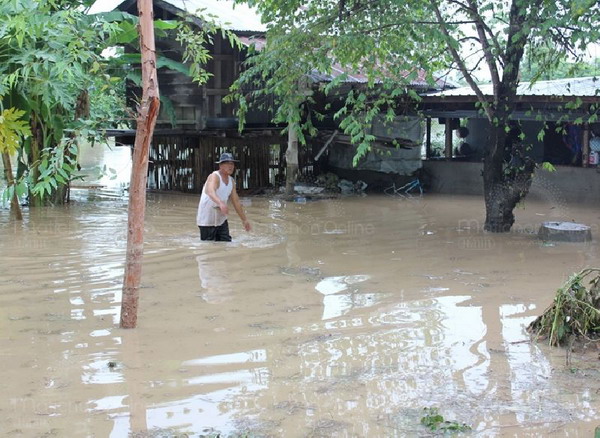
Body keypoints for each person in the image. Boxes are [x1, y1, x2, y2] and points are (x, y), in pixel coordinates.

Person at [196, 152, 251, 241]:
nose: (231, 166)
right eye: (227, 163)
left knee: (226, 243)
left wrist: (244, 220)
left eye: (232, 164)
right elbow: (210, 191)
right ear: (220, 166)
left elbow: (236, 202)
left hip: (221, 219)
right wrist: (220, 203)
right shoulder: (214, 176)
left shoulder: (231, 181)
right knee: (208, 246)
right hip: (207, 219)